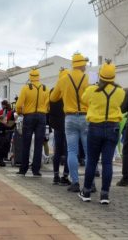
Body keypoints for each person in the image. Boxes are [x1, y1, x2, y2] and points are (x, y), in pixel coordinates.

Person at [79, 60, 125, 204]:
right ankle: (105, 195)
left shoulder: (92, 90)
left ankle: (86, 191)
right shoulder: (120, 91)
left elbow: (84, 100)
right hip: (113, 127)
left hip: (95, 126)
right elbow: (120, 103)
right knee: (107, 163)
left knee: (91, 161)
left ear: (100, 75)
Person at [50, 53, 89, 192]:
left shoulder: (64, 79)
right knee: (88, 151)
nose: (85, 65)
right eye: (84, 63)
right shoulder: (86, 78)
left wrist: (64, 93)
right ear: (81, 64)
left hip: (70, 117)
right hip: (85, 117)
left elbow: (53, 98)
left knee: (72, 151)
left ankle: (75, 183)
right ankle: (90, 184)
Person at [16, 69, 50, 176]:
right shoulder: (45, 88)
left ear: (30, 77)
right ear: (39, 77)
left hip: (29, 116)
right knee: (39, 144)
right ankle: (36, 170)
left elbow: (18, 105)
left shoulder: (26, 88)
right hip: (42, 117)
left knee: (26, 143)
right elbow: (48, 106)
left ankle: (23, 169)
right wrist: (44, 112)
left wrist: (20, 112)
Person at [50, 68, 71, 186]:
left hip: (57, 124)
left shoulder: (54, 90)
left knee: (57, 150)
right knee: (70, 150)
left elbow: (50, 108)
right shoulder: (70, 91)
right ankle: (65, 176)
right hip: (68, 123)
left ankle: (55, 175)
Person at [0, 100, 15, 167]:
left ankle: (2, 159)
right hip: (8, 130)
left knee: (1, 145)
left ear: (4, 105)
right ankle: (4, 158)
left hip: (2, 131)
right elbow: (13, 122)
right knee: (6, 145)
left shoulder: (2, 112)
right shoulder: (11, 112)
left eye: (2, 105)